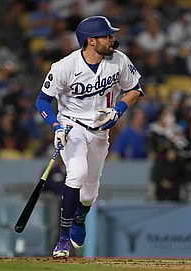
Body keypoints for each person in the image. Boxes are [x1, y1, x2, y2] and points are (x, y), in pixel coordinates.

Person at [35, 16, 143, 258]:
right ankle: (62, 240)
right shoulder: (64, 66)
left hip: (100, 130)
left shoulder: (119, 61)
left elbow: (135, 89)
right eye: (107, 36)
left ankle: (79, 219)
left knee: (90, 192)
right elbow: (42, 100)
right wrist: (56, 126)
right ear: (91, 41)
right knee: (77, 172)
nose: (112, 39)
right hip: (72, 127)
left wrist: (119, 109)